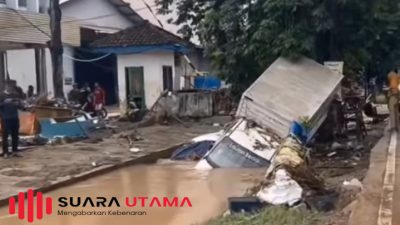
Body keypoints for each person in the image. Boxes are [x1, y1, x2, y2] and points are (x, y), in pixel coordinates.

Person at [0, 84, 23, 158]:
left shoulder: (15, 96)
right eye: (9, 86)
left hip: (14, 118)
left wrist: (18, 104)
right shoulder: (1, 96)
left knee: (15, 135)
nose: (10, 88)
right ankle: (5, 152)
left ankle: (15, 151)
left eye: (11, 87)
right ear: (6, 87)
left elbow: (21, 106)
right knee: (5, 136)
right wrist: (5, 102)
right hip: (6, 118)